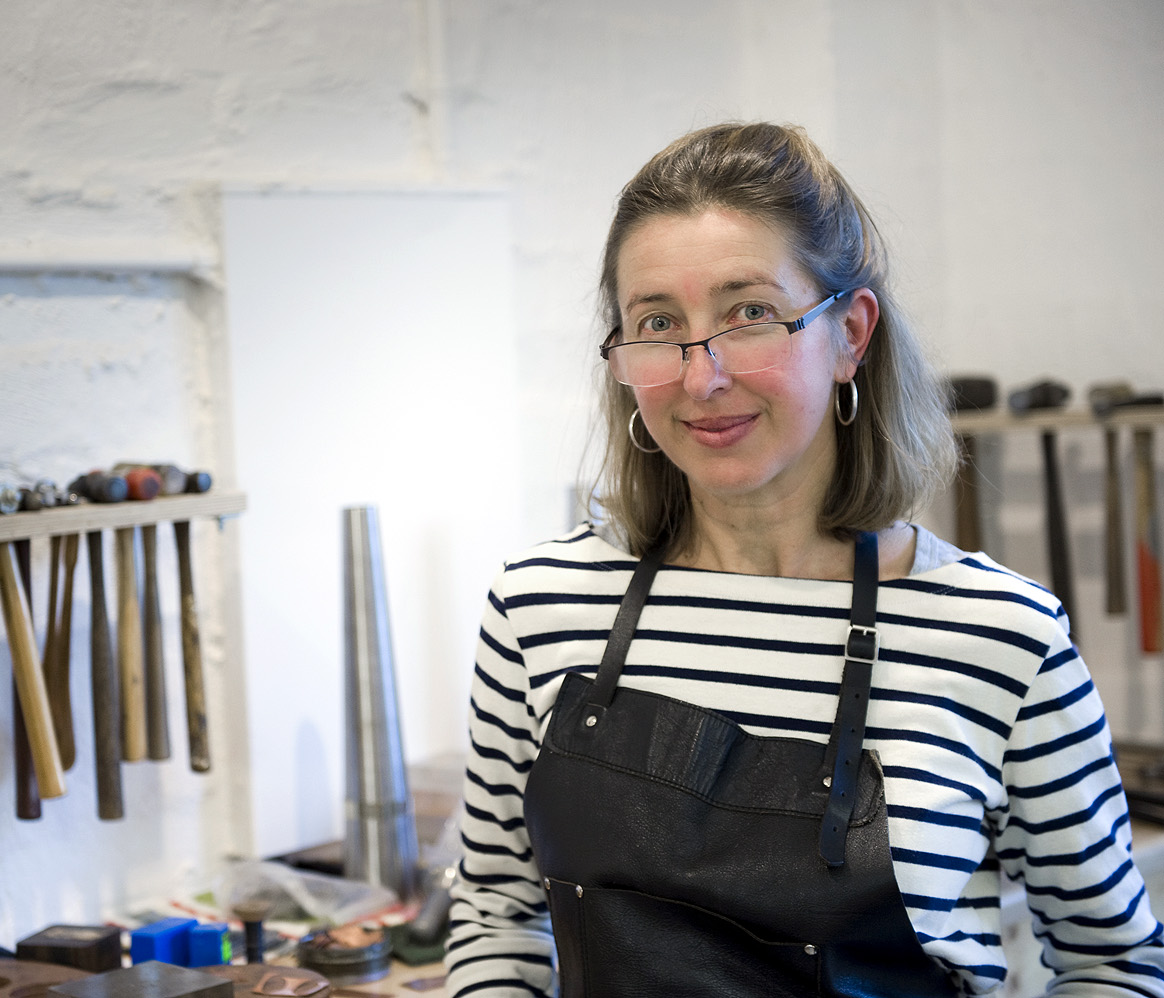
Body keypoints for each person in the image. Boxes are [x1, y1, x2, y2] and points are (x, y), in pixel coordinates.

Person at [442, 121, 1164, 996]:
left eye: (750, 314)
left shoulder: (1000, 636)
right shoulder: (542, 608)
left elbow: (1114, 960)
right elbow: (495, 914)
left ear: (851, 334)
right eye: (658, 322)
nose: (700, 376)